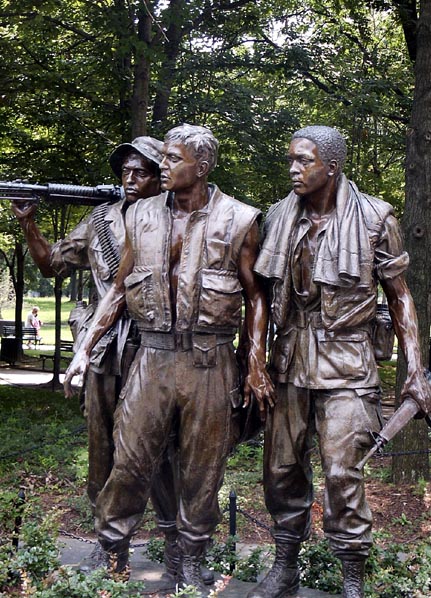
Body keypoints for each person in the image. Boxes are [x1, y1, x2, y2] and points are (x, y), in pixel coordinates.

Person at [64, 123, 275, 595]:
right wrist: (84, 351)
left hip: (210, 360)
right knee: (130, 460)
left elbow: (256, 297)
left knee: (203, 469)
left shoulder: (239, 218)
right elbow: (118, 290)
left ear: (200, 168)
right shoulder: (139, 217)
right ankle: (112, 549)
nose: (162, 167)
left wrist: (255, 361)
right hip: (153, 358)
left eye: (173, 159)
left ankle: (188, 560)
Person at [248, 125, 431, 598]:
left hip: (348, 362)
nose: (293, 169)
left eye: (303, 161)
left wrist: (415, 367)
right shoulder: (277, 217)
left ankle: (352, 574)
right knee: (281, 469)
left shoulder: (376, 217)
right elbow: (263, 295)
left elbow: (400, 298)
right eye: (290, 159)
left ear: (331, 166)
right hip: (289, 359)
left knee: (341, 471)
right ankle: (285, 565)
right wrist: (254, 360)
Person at [11, 137, 192, 582]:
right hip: (105, 348)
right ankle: (113, 547)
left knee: (163, 449)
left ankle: (174, 547)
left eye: (142, 171)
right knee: (102, 450)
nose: (130, 179)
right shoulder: (100, 220)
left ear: (160, 177)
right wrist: (29, 224)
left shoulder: (179, 219)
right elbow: (53, 265)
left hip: (156, 346)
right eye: (125, 171)